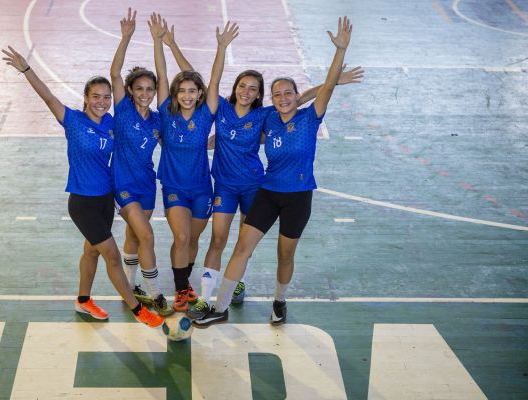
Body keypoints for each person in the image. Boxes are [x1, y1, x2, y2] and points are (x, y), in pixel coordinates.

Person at [193, 16, 354, 327]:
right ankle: (220, 307)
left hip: (298, 197)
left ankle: (280, 300)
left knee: (285, 256)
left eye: (288, 93)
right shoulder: (267, 119)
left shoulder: (311, 118)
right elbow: (238, 127)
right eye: (277, 94)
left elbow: (319, 92)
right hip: (268, 192)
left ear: (296, 95)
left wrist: (339, 53)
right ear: (271, 99)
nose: (283, 98)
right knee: (241, 247)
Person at [2, 45, 164, 328]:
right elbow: (48, 96)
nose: (102, 101)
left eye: (106, 97)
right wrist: (27, 70)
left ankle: (83, 300)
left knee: (90, 251)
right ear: (86, 98)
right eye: (96, 97)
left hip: (106, 200)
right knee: (111, 255)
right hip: (83, 203)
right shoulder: (73, 121)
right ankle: (138, 309)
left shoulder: (112, 123)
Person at [148, 12, 238, 312]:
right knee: (182, 235)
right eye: (182, 90)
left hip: (202, 187)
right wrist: (158, 42)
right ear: (175, 93)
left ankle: (184, 281)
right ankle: (181, 288)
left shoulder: (205, 114)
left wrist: (221, 48)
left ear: (200, 94)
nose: (187, 95)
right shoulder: (166, 112)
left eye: (192, 90)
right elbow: (161, 75)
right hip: (174, 185)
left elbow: (215, 78)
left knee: (194, 239)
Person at [109, 8, 172, 316]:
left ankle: (131, 285)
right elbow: (115, 74)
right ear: (131, 91)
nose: (145, 93)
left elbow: (173, 144)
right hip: (123, 184)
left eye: (150, 89)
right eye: (140, 89)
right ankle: (156, 293)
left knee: (134, 235)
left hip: (148, 183)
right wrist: (127, 37)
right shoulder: (122, 110)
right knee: (147, 235)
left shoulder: (158, 121)